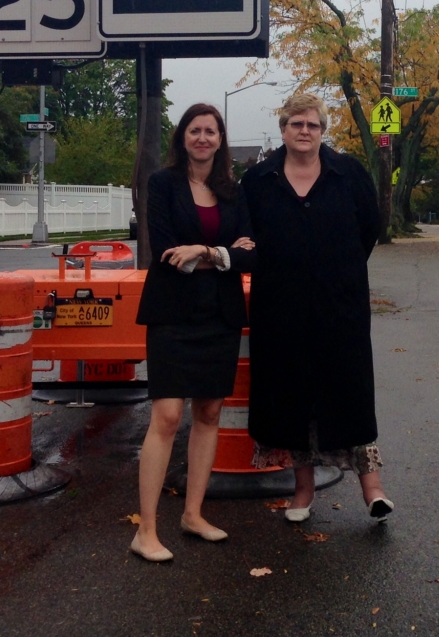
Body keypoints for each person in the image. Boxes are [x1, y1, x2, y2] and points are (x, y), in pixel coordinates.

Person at [241, 93, 394, 523]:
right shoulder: (259, 180)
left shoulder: (349, 173)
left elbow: (369, 228)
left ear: (322, 131)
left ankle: (373, 489)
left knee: (350, 393)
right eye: (296, 123)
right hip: (280, 308)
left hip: (339, 306)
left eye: (312, 124)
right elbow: (248, 235)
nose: (304, 131)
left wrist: (340, 269)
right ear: (283, 129)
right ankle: (302, 490)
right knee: (292, 399)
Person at [132, 103, 256, 562]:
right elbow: (167, 253)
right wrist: (222, 253)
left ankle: (193, 514)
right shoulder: (162, 184)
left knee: (209, 412)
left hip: (219, 314)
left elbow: (251, 253)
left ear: (221, 140)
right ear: (182, 137)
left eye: (211, 131)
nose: (203, 138)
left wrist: (202, 251)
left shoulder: (233, 192)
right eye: (195, 130)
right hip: (172, 313)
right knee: (166, 416)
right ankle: (146, 530)